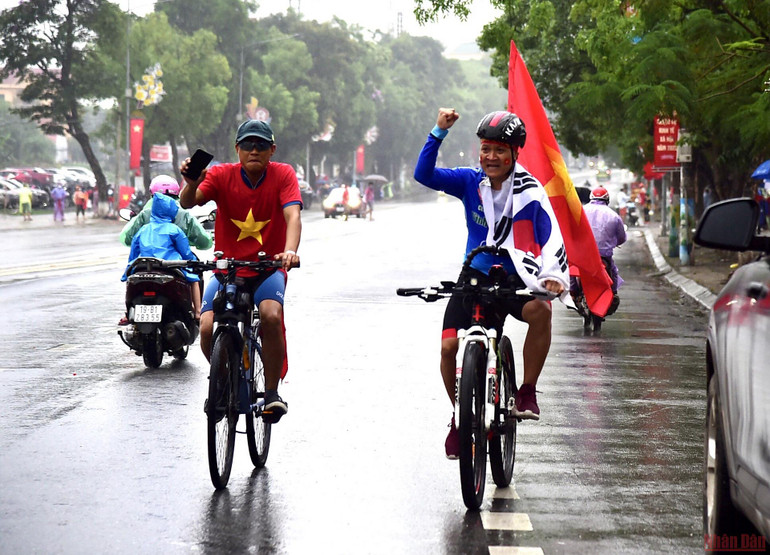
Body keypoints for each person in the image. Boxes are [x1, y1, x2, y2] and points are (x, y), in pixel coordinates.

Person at [414, 108, 568, 459]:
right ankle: (459, 418)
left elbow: (548, 237)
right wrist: (438, 131)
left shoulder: (530, 191)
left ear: (515, 153)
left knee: (541, 312)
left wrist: (553, 277)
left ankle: (527, 390)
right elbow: (423, 175)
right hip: (473, 278)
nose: (491, 157)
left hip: (516, 278)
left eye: (500, 150)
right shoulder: (469, 181)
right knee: (449, 350)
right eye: (486, 149)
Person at [179, 119, 302, 424]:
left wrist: (290, 251)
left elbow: (293, 215)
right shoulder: (220, 174)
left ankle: (272, 392)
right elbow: (188, 201)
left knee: (271, 315)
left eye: (261, 145)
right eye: (247, 144)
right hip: (227, 270)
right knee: (206, 327)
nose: (254, 150)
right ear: (237, 149)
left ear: (272, 149)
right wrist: (191, 182)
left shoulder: (283, 174)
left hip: (267, 268)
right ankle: (224, 381)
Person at [121, 192, 201, 318]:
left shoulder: (143, 229)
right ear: (171, 211)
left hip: (142, 267)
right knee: (194, 279)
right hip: (171, 267)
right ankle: (197, 312)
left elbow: (133, 253)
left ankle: (127, 314)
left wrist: (129, 268)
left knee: (130, 281)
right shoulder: (174, 230)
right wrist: (193, 262)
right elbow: (186, 254)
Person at [119, 175, 213, 251]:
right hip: (177, 266)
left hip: (146, 265)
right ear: (177, 193)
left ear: (152, 193)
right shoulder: (184, 216)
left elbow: (126, 239)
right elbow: (204, 243)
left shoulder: (144, 215)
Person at [572, 186, 626, 314]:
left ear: (591, 198)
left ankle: (573, 294)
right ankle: (612, 295)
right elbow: (622, 237)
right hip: (604, 256)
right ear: (607, 199)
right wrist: (616, 243)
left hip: (583, 255)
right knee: (613, 272)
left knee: (572, 271)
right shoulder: (614, 215)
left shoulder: (581, 211)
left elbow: (572, 231)